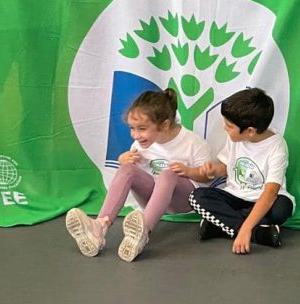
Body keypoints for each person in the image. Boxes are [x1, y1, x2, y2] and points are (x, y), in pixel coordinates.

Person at [64, 89, 211, 262]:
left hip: (184, 201)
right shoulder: (141, 143)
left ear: (164, 125)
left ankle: (143, 231)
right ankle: (99, 227)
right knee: (127, 169)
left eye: (141, 129)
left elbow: (207, 179)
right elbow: (132, 170)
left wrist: (188, 171)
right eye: (132, 128)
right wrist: (123, 159)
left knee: (168, 174)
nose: (135, 135)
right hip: (153, 201)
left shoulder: (193, 142)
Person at [188, 88, 295, 254]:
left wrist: (245, 228)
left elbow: (271, 192)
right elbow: (225, 168)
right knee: (197, 197)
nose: (225, 129)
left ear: (250, 131)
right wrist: (214, 170)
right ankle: (258, 234)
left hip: (264, 199)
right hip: (235, 196)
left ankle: (220, 225)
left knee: (282, 209)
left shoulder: (277, 146)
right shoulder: (234, 139)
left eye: (229, 126)